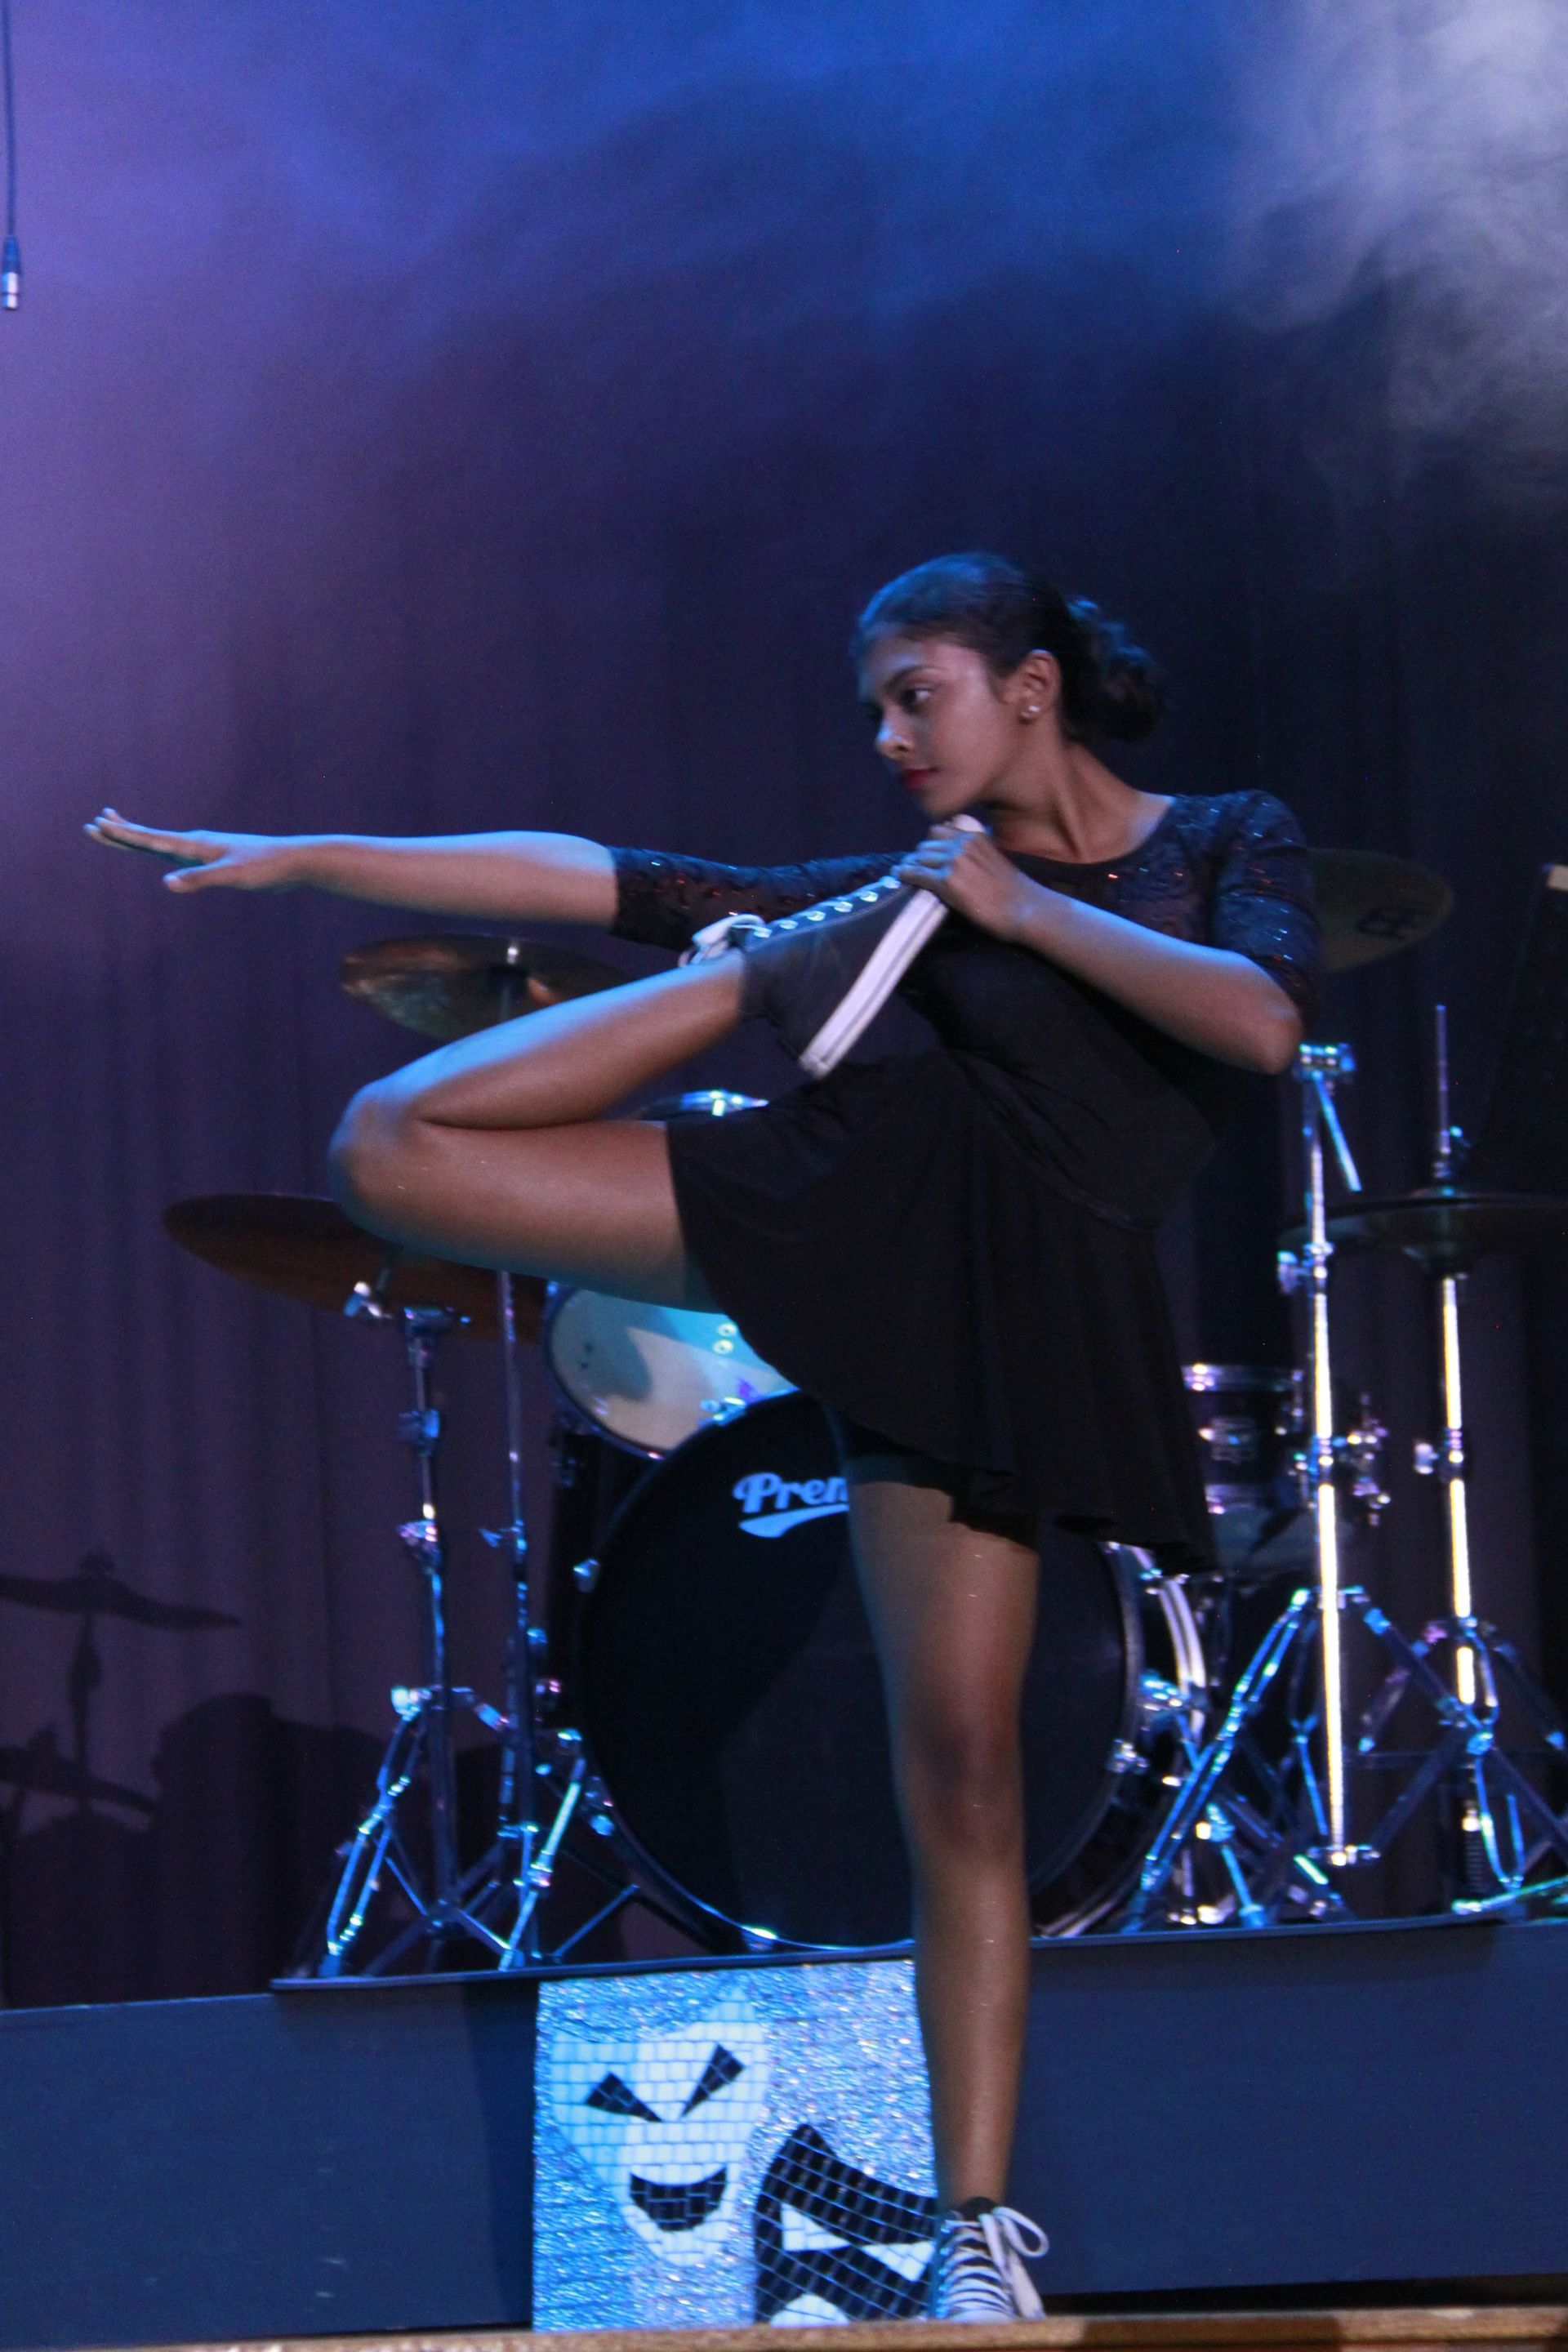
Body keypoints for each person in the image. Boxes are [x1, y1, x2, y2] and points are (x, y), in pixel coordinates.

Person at [87, 551, 1321, 2320]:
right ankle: (773, 977)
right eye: (876, 710)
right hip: (849, 1200)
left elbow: (1264, 1023)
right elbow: (594, 876)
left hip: (1005, 1308)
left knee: (965, 1772)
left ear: (1030, 684)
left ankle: (976, 2232)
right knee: (391, 1146)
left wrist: (1019, 911)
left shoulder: (1222, 839)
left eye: (921, 694)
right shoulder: (903, 881)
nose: (893, 736)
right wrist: (309, 858)